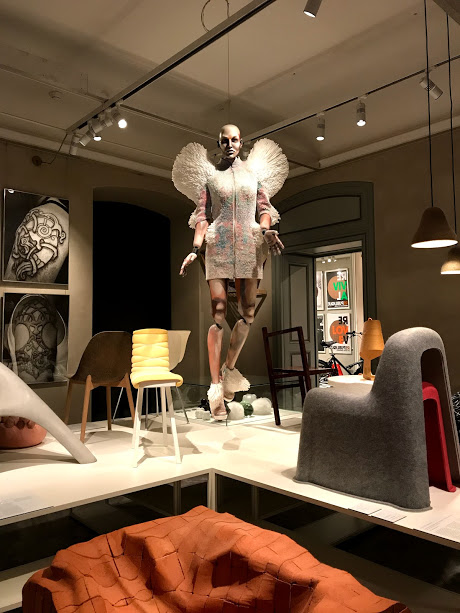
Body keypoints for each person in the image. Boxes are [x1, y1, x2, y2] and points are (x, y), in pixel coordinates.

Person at [173, 124, 288, 419]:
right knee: (219, 311)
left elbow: (264, 208)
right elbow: (202, 215)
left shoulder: (253, 175)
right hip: (219, 245)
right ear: (219, 143)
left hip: (249, 244)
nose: (229, 144)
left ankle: (229, 369)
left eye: (234, 139)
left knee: (248, 313)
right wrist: (195, 248)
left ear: (241, 142)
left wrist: (266, 230)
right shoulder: (211, 177)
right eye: (224, 140)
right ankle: (215, 387)